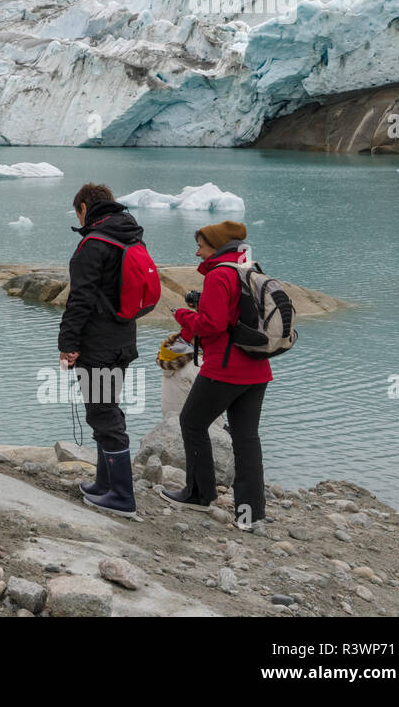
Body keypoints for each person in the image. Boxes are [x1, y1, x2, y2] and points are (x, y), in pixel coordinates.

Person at [162, 221, 271, 528]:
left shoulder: (218, 274)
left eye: (201, 245)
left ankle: (199, 494)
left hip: (225, 368)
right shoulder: (248, 269)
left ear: (217, 246)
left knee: (192, 422)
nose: (197, 252)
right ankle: (250, 515)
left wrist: (184, 314)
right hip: (258, 369)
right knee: (246, 438)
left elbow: (212, 325)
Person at [58, 183, 143, 517]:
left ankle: (122, 495)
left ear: (83, 208)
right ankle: (105, 483)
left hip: (98, 344)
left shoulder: (93, 244)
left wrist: (68, 344)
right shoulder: (131, 237)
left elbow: (80, 299)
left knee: (103, 413)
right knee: (106, 407)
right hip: (123, 340)